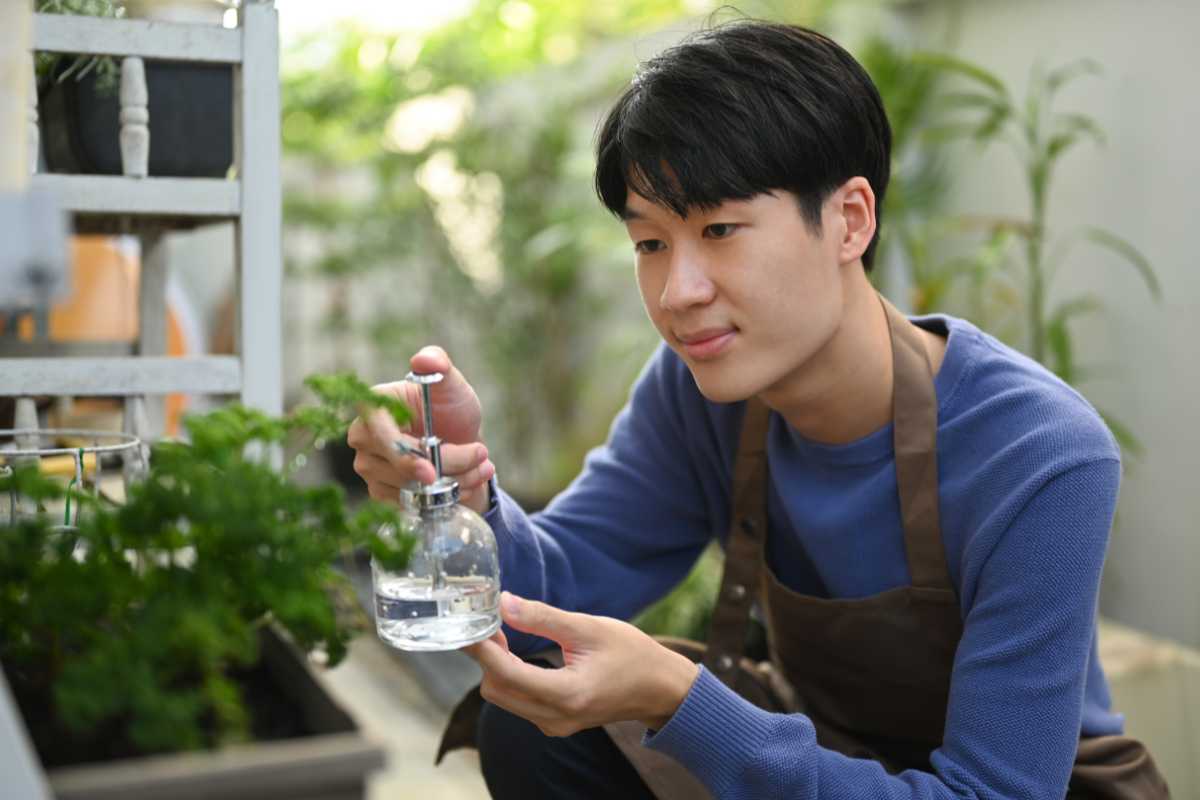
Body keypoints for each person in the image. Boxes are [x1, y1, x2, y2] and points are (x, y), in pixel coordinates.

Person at [347, 20, 1168, 800]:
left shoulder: (1040, 454)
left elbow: (994, 790)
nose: (679, 292)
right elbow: (554, 591)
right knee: (534, 730)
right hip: (822, 752)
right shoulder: (699, 392)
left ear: (849, 220)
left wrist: (682, 699)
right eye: (651, 243)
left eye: (723, 229)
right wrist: (457, 488)